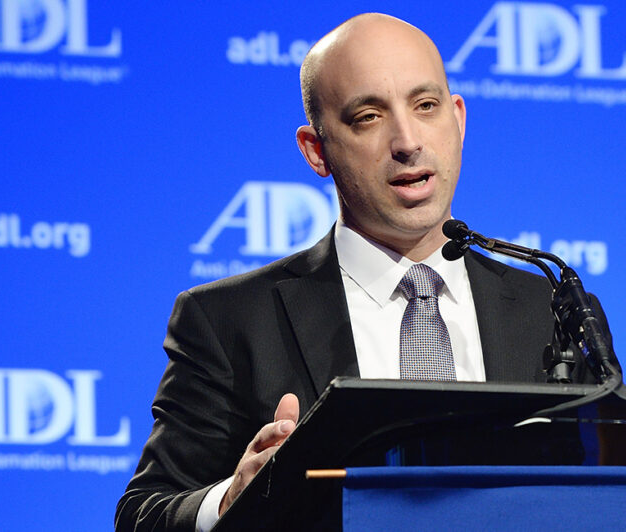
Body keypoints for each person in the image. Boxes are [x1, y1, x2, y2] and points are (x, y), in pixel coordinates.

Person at [116, 13, 597, 531]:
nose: (408, 140)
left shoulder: (547, 305)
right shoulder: (228, 321)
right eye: (368, 116)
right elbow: (143, 513)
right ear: (316, 150)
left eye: (426, 106)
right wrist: (230, 501)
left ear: (458, 119)